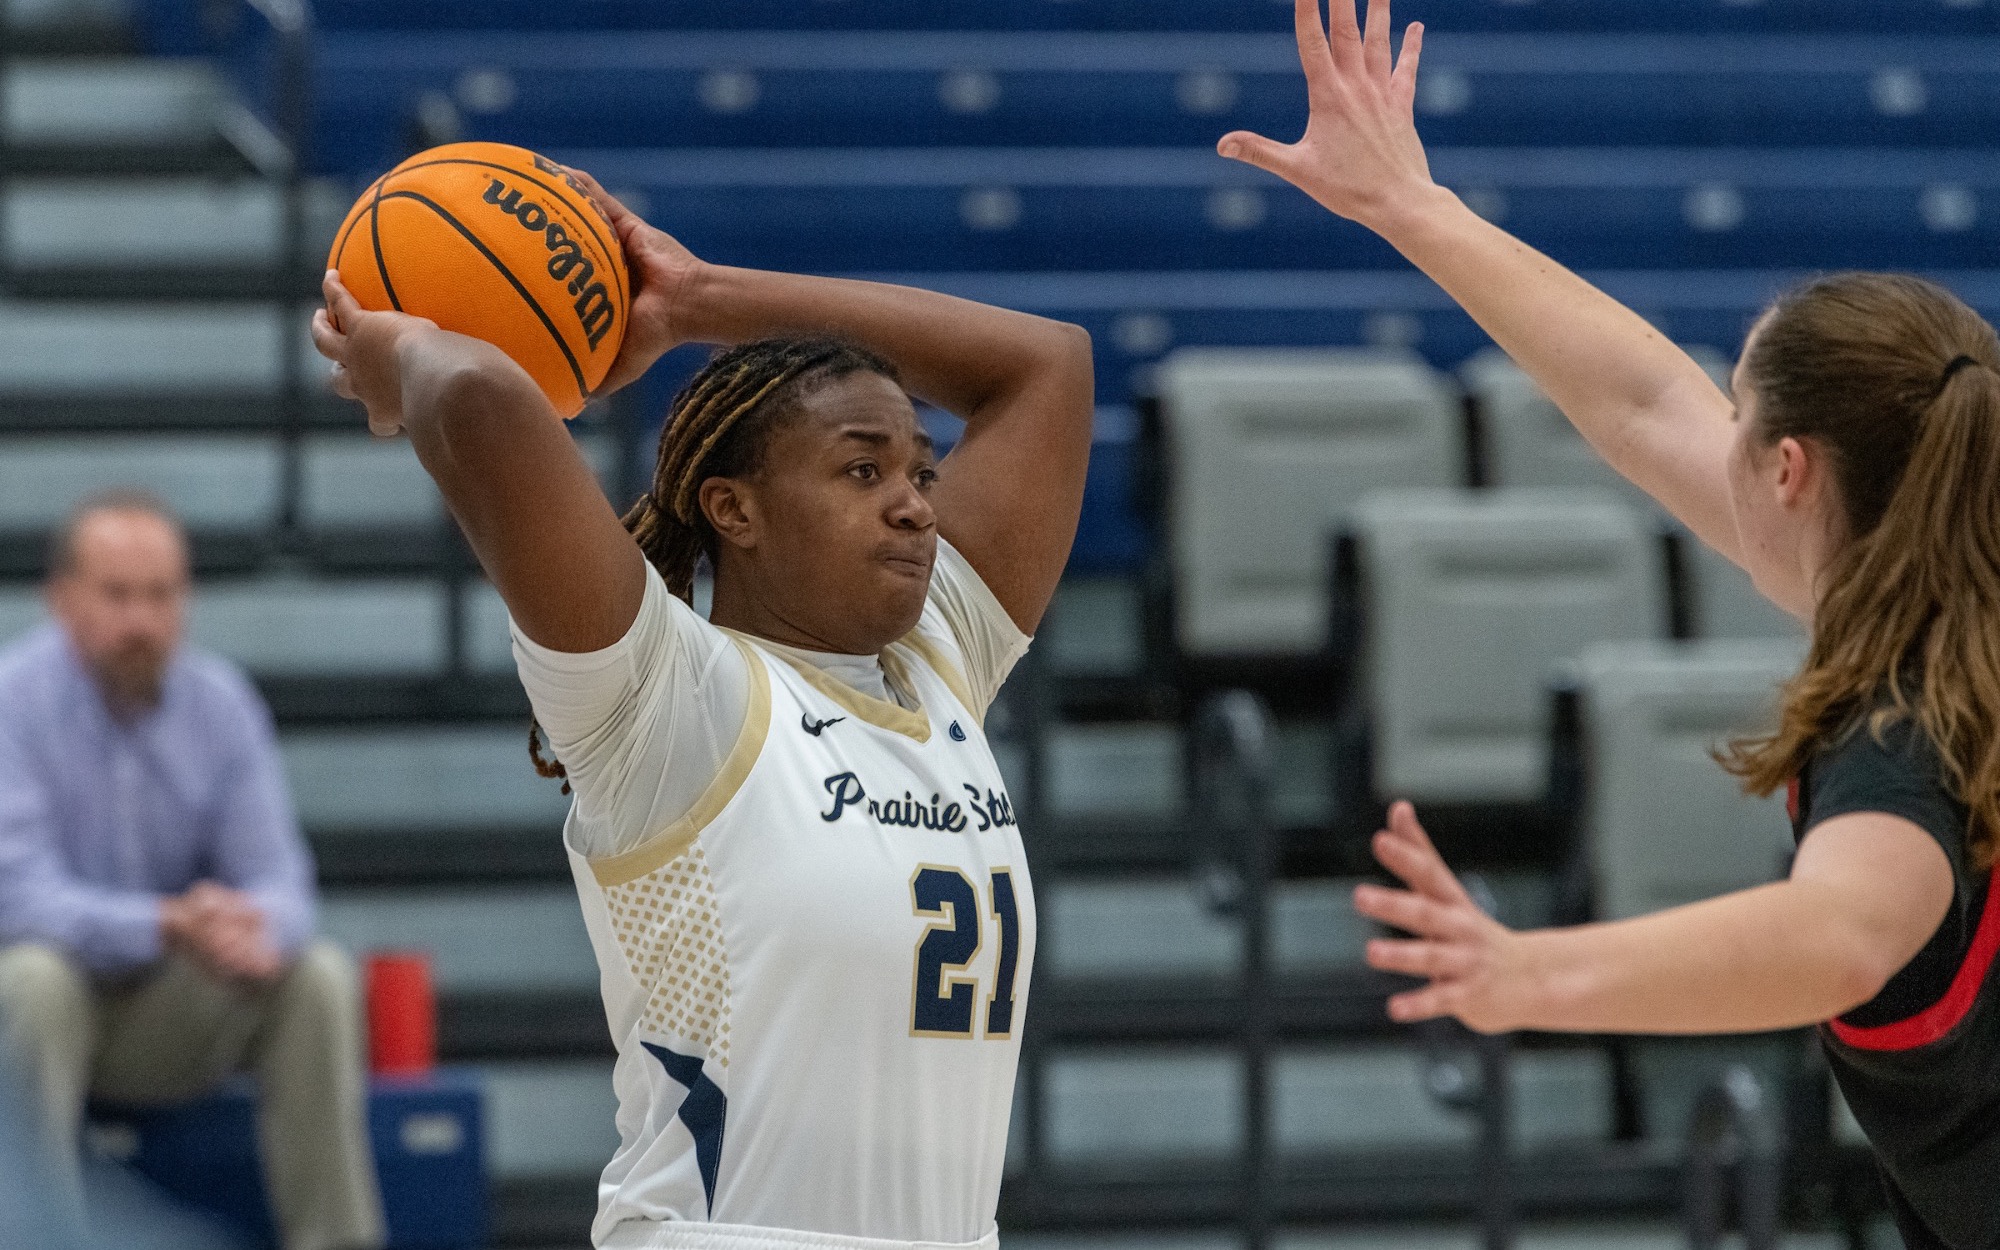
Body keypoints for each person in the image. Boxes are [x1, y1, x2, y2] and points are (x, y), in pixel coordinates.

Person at [1219, 2, 2000, 1246]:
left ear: (1787, 471)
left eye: (1736, 412)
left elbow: (1841, 932)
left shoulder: (1904, 721)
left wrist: (1527, 971)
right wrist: (1410, 208)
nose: (1711, 432)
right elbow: (1640, 402)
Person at [308, 159, 1092, 1250]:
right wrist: (402, 355)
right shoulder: (669, 698)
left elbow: (1049, 366)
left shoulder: (938, 660)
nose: (916, 505)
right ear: (734, 508)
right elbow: (483, 396)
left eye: (920, 472)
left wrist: (695, 300)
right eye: (861, 472)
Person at [0, 494, 385, 1250]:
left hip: (167, 1012)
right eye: (117, 595)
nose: (141, 621)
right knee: (33, 979)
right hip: (46, 1015)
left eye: (161, 595)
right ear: (62, 600)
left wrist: (249, 931)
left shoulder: (223, 705)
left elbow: (281, 881)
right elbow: (17, 898)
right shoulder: (10, 704)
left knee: (316, 976)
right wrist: (163, 924)